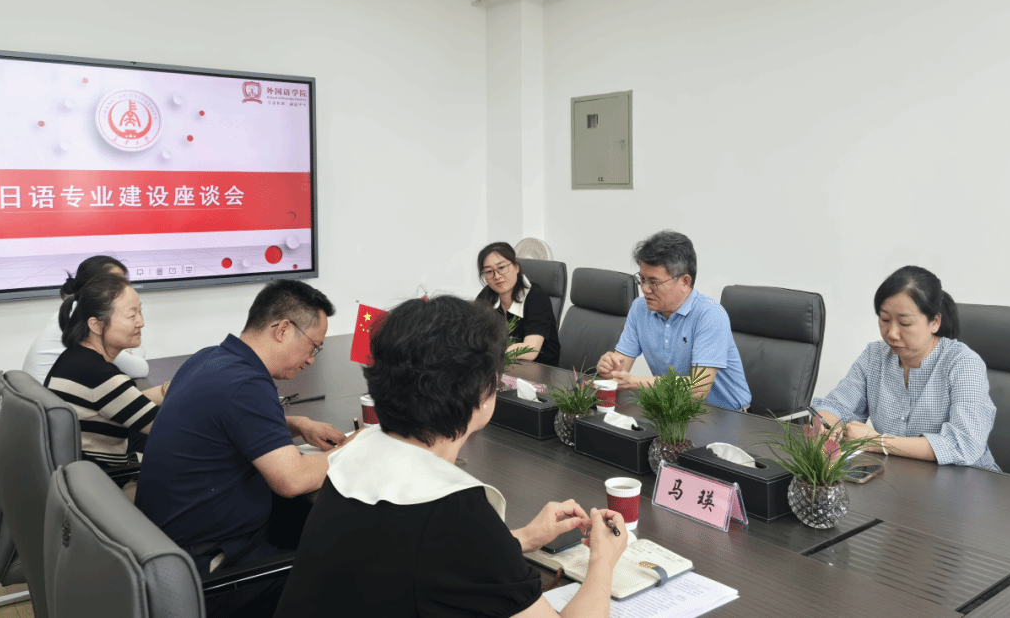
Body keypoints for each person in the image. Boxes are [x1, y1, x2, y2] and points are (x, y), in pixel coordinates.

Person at [275, 295, 627, 618]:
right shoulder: (456, 511)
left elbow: (414, 556)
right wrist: (602, 561)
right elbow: (448, 543)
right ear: (481, 395)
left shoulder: (355, 453)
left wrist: (522, 538)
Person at [136, 279, 348, 618]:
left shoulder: (210, 358)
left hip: (169, 552)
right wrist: (356, 448)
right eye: (314, 347)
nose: (311, 360)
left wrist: (297, 424)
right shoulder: (247, 384)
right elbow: (292, 479)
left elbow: (223, 422)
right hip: (214, 573)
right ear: (283, 329)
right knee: (345, 568)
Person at [813, 266, 999, 471]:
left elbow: (964, 444)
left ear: (934, 322)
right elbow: (836, 405)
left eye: (905, 323)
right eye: (885, 319)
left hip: (965, 481)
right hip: (900, 477)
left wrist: (877, 442)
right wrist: (827, 426)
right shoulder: (874, 356)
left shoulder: (963, 363)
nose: (891, 333)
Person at [596, 230, 751, 410]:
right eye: (642, 279)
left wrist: (635, 382)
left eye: (654, 282)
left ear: (685, 282)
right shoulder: (640, 308)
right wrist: (610, 367)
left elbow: (698, 389)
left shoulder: (710, 315)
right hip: (675, 410)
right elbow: (620, 370)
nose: (645, 289)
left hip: (728, 414)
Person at [45, 272, 165, 468]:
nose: (141, 322)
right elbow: (172, 429)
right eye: (132, 315)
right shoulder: (101, 376)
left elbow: (125, 402)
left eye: (140, 312)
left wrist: (167, 390)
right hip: (105, 481)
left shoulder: (74, 358)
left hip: (77, 475)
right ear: (96, 325)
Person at [24, 255, 149, 383]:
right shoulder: (86, 318)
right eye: (115, 282)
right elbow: (140, 369)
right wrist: (135, 352)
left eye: (124, 281)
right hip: (52, 394)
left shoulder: (73, 309)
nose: (124, 288)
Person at [475, 242, 561, 366]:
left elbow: (530, 350)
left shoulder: (536, 297)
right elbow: (473, 335)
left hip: (540, 370)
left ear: (516, 267)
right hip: (501, 365)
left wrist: (489, 353)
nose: (497, 276)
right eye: (489, 271)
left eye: (502, 267)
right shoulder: (486, 296)